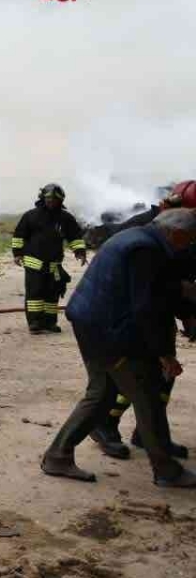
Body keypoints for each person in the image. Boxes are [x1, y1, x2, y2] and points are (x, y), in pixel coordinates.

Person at [41, 209, 196, 487]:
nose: (190, 245)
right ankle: (166, 470)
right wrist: (164, 353)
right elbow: (147, 307)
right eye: (190, 239)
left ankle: (58, 456)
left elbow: (158, 294)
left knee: (102, 393)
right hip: (110, 330)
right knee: (148, 394)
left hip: (91, 322)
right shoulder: (146, 250)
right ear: (177, 233)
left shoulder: (139, 237)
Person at [88, 181, 196, 460]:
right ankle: (105, 424)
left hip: (158, 310)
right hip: (130, 314)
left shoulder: (184, 233)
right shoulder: (145, 233)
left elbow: (182, 279)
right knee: (133, 376)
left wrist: (187, 313)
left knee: (162, 376)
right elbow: (147, 289)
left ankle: (149, 434)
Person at [11, 184, 86, 334]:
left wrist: (80, 251)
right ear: (43, 198)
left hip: (54, 265)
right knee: (35, 293)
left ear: (60, 200)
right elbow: (19, 235)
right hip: (34, 263)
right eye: (48, 198)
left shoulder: (65, 218)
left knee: (52, 294)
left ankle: (49, 323)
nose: (51, 201)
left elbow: (74, 236)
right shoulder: (31, 216)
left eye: (54, 199)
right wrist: (17, 253)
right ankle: (35, 322)